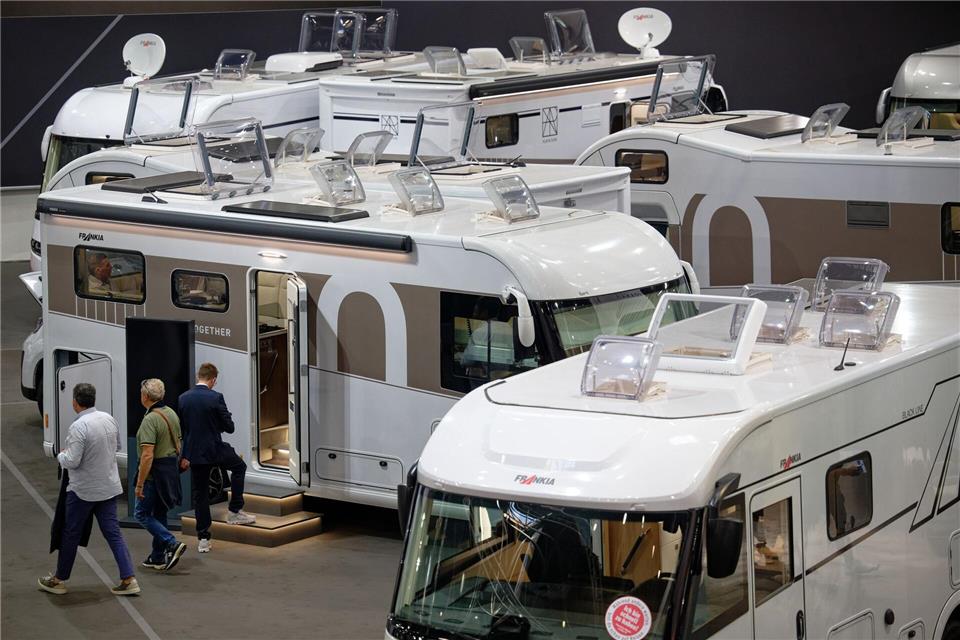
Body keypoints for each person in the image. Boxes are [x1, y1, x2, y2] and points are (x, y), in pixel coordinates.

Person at [38, 383, 139, 596]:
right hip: (108, 488)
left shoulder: (78, 426)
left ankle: (59, 579)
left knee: (71, 533)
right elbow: (118, 446)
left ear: (75, 402)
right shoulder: (108, 419)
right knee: (113, 534)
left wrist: (60, 455)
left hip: (82, 491)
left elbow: (72, 461)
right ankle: (128, 578)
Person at [178, 363, 256, 554]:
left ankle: (203, 539)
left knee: (200, 495)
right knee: (239, 467)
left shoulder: (183, 398)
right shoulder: (215, 397)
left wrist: (185, 455)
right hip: (215, 448)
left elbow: (184, 429)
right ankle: (234, 511)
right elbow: (229, 427)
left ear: (199, 376)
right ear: (213, 379)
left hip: (195, 453)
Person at [133, 378, 188, 571]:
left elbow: (147, 455)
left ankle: (171, 542)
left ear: (145, 396)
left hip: (153, 475)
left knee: (140, 513)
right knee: (160, 512)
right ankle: (157, 557)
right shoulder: (170, 413)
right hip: (169, 471)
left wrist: (139, 484)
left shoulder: (150, 419)